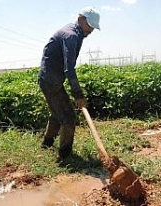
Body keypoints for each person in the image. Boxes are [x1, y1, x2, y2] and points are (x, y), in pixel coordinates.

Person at [38, 6, 100, 159]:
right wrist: (78, 94)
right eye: (89, 25)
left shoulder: (74, 33)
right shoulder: (71, 35)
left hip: (50, 79)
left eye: (93, 27)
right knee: (69, 117)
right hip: (51, 80)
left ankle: (46, 144)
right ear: (80, 19)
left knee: (58, 112)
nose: (91, 30)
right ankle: (65, 156)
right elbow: (69, 69)